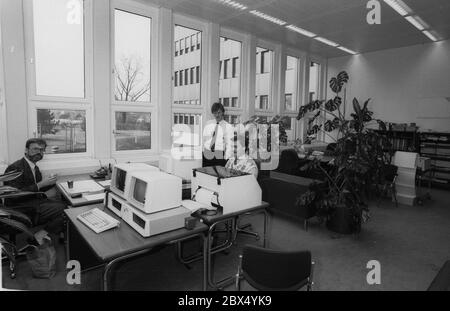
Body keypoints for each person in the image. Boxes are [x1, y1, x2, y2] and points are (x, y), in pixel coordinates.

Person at [5, 138, 66, 240]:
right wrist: (41, 184)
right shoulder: (15, 168)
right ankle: (40, 235)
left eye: (42, 150)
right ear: (26, 150)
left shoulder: (35, 168)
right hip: (21, 209)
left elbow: (37, 189)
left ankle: (43, 234)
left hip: (33, 203)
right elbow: (14, 195)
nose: (39, 152)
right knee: (65, 210)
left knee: (61, 202)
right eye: (35, 149)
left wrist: (51, 182)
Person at [202, 102, 233, 167]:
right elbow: (204, 139)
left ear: (223, 112)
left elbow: (229, 144)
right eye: (215, 113)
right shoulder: (208, 123)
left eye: (219, 112)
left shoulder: (228, 126)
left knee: (218, 175)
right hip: (207, 155)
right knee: (205, 175)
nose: (217, 115)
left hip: (219, 156)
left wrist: (226, 159)